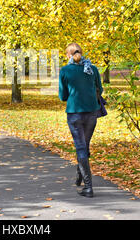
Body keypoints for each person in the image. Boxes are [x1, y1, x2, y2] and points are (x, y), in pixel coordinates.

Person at [58, 43, 103, 198]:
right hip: (91, 113)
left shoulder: (65, 70)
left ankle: (88, 188)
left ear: (68, 55)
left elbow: (63, 96)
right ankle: (80, 175)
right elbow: (100, 89)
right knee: (85, 145)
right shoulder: (93, 69)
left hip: (74, 114)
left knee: (81, 148)